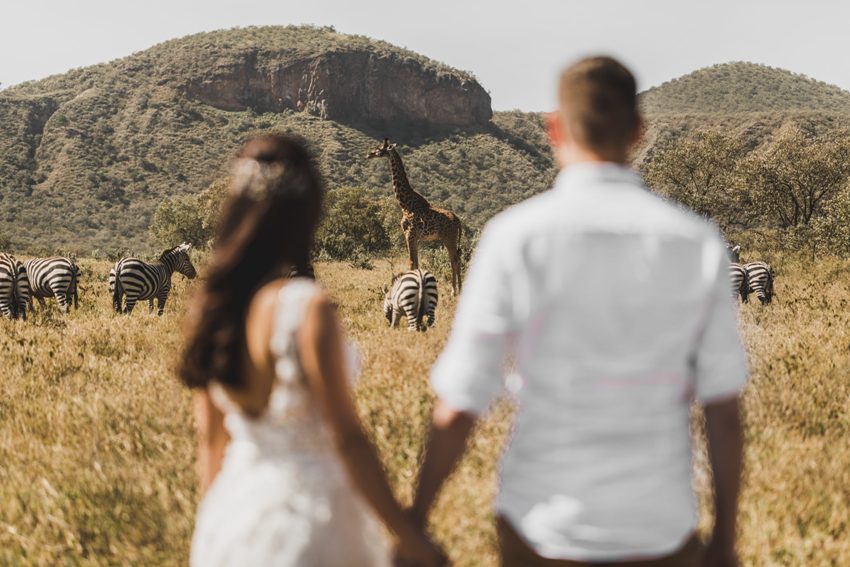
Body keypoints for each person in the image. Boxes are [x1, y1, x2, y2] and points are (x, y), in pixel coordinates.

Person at [409, 57, 747, 567]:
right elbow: (723, 412)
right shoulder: (697, 243)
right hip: (659, 528)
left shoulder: (513, 238)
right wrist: (724, 541)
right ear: (637, 130)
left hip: (541, 529)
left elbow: (459, 404)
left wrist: (414, 522)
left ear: (553, 127)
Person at [179, 135, 444, 567]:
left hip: (230, 519)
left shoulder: (214, 310)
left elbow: (210, 443)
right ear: (307, 212)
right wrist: (408, 534)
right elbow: (349, 440)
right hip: (310, 522)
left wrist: (213, 531)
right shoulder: (306, 308)